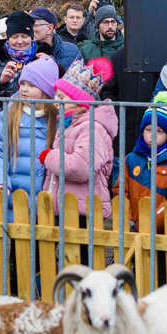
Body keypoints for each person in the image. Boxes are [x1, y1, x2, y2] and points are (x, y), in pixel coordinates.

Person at [40, 58, 118, 219]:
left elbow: (80, 168)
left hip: (83, 210)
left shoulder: (92, 128)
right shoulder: (68, 124)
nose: (56, 102)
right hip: (68, 205)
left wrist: (49, 156)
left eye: (62, 98)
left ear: (79, 102)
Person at [0, 57, 59, 220]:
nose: (24, 89)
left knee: (44, 244)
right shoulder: (11, 113)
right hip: (15, 198)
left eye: (31, 85)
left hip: (45, 202)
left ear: (46, 91)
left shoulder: (56, 120)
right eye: (23, 83)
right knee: (17, 242)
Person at [117, 94, 167, 231]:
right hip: (133, 227)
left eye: (159, 131)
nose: (152, 135)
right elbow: (121, 190)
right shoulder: (131, 159)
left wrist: (152, 223)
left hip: (163, 231)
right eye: (148, 130)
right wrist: (128, 219)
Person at [0, 11, 46, 99]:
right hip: (1, 110)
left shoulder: (43, 57)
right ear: (7, 38)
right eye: (14, 37)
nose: (19, 41)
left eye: (24, 36)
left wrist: (53, 65)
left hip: (34, 110)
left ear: (32, 38)